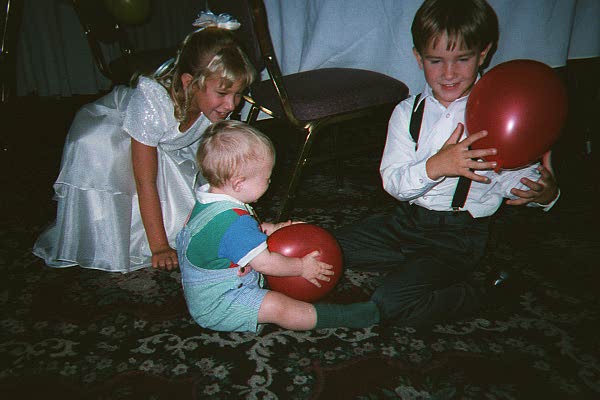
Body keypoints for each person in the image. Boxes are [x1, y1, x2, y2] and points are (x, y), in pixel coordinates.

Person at [334, 0, 560, 329]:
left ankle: (482, 292)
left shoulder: (498, 112)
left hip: (456, 237)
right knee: (325, 247)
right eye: (435, 60)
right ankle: (410, 268)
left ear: (483, 55)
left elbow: (513, 174)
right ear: (418, 57)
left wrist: (544, 192)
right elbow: (394, 183)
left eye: (462, 59)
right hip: (405, 222)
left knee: (390, 303)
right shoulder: (406, 112)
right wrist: (436, 165)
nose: (449, 73)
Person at [33, 12, 255, 273]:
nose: (231, 105)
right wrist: (159, 246)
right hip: (113, 138)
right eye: (223, 93)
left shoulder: (214, 105)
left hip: (164, 146)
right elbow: (145, 181)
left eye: (238, 94)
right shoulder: (152, 101)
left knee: (191, 221)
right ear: (190, 83)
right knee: (132, 181)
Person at [178, 120, 380, 332]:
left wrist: (273, 229)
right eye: (267, 178)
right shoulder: (232, 222)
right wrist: (302, 267)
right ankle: (346, 317)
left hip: (208, 289)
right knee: (279, 307)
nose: (270, 183)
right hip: (220, 304)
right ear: (239, 183)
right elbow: (266, 264)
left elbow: (229, 238)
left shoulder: (210, 199)